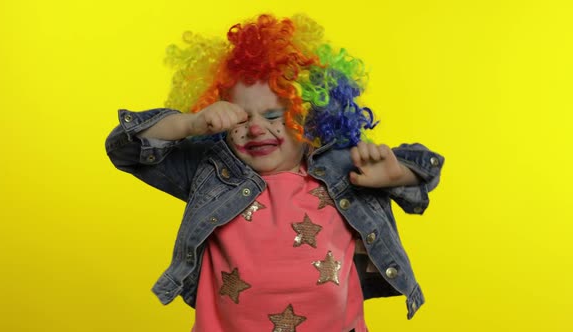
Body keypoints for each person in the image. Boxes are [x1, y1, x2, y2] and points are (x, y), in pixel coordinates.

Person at [105, 13, 443, 332]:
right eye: (239, 117)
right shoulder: (213, 171)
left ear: (309, 116)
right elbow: (124, 149)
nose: (255, 129)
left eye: (272, 116)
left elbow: (427, 168)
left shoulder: (340, 168)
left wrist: (396, 175)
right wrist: (189, 124)